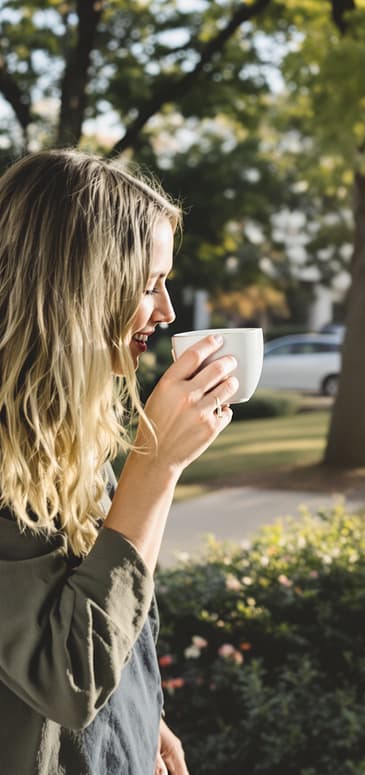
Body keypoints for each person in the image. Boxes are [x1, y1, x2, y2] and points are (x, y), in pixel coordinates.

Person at [0, 149, 240, 774]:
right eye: (147, 283)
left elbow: (100, 606)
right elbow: (66, 676)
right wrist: (156, 468)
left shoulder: (68, 433)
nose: (167, 311)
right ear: (79, 288)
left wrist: (139, 714)